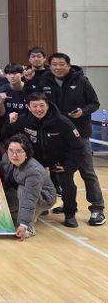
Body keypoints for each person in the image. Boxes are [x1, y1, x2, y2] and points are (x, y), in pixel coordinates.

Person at [1, 93, 93, 228]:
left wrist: (69, 166)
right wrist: (10, 122)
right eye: (34, 106)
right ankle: (39, 206)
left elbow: (79, 147)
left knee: (67, 182)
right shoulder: (23, 120)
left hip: (59, 160)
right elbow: (7, 135)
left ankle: (70, 213)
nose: (38, 109)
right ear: (28, 107)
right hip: (36, 159)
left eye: (41, 105)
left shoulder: (63, 122)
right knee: (27, 180)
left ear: (47, 105)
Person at [33, 53, 104, 225]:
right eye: (54, 64)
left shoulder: (81, 81)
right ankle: (68, 204)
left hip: (80, 135)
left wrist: (83, 112)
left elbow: (94, 103)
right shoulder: (45, 81)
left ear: (69, 65)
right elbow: (36, 101)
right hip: (56, 137)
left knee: (87, 172)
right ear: (49, 66)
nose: (57, 67)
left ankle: (97, 208)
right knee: (62, 173)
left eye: (61, 64)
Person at [0, 134, 56, 240]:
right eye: (11, 151)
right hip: (21, 192)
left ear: (26, 153)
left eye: (19, 151)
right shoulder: (6, 158)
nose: (14, 155)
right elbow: (2, 169)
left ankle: (29, 227)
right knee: (3, 208)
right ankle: (28, 215)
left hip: (44, 197)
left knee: (23, 189)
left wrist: (24, 224)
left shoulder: (33, 171)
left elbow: (30, 198)